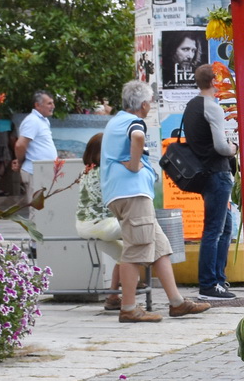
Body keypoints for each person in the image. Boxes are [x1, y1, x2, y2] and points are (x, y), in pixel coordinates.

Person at [101, 80, 213, 323]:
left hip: (122, 194)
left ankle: (177, 302)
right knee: (136, 249)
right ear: (143, 104)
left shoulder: (116, 121)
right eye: (150, 102)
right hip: (132, 194)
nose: (150, 106)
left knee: (160, 247)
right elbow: (138, 136)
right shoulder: (133, 122)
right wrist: (134, 165)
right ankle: (129, 307)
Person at [182, 63, 239, 301]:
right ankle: (209, 284)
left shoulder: (191, 105)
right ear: (215, 82)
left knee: (224, 228)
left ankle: (218, 279)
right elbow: (221, 147)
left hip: (203, 173)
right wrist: (234, 148)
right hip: (217, 172)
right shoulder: (212, 107)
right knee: (214, 230)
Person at [75, 132, 124, 312]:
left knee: (125, 255)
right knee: (138, 229)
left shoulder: (86, 171)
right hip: (101, 224)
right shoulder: (104, 172)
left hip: (86, 225)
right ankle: (132, 289)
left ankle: (113, 297)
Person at [14, 91, 62, 209]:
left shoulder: (42, 120)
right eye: (49, 103)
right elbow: (20, 145)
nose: (53, 106)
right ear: (37, 105)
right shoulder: (32, 121)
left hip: (43, 171)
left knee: (44, 208)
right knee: (36, 210)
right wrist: (20, 161)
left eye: (52, 103)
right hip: (34, 171)